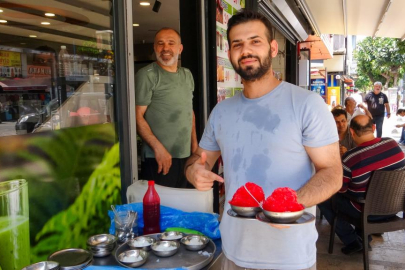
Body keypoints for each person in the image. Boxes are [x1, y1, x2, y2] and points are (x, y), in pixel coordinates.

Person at [184, 10, 342, 269]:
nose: (246, 50)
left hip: (289, 258)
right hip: (233, 252)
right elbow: (199, 159)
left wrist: (288, 205)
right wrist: (194, 172)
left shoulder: (307, 104)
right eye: (237, 44)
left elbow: (333, 173)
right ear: (231, 52)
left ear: (273, 47)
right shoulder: (221, 111)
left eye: (255, 41)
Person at [318, 115, 405, 255]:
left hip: (366, 212)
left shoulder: (351, 158)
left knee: (324, 199)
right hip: (394, 207)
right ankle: (364, 236)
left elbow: (341, 189)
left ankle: (352, 241)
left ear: (351, 132)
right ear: (374, 128)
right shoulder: (393, 145)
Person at [135, 27, 198, 188]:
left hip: (185, 157)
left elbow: (188, 111)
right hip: (158, 158)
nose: (165, 48)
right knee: (161, 209)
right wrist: (158, 149)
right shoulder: (147, 75)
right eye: (160, 44)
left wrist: (195, 147)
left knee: (183, 207)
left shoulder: (187, 75)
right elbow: (137, 116)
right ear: (154, 48)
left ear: (180, 48)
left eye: (171, 43)